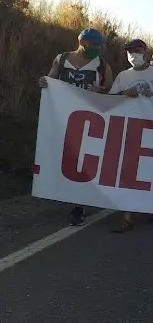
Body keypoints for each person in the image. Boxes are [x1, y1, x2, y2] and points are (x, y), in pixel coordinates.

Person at [38, 27, 114, 226]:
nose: (99, 48)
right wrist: (45, 83)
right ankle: (56, 190)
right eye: (95, 45)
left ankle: (79, 207)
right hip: (62, 116)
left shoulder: (102, 65)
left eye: (101, 45)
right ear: (83, 43)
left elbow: (112, 93)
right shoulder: (62, 59)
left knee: (82, 163)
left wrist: (102, 92)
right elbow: (51, 78)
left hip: (88, 120)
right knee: (61, 156)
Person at [108, 39, 153, 234]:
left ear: (146, 52)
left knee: (151, 171)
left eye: (137, 51)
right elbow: (109, 100)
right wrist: (124, 93)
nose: (133, 55)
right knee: (127, 172)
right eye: (129, 52)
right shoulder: (123, 76)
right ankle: (127, 217)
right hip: (129, 130)